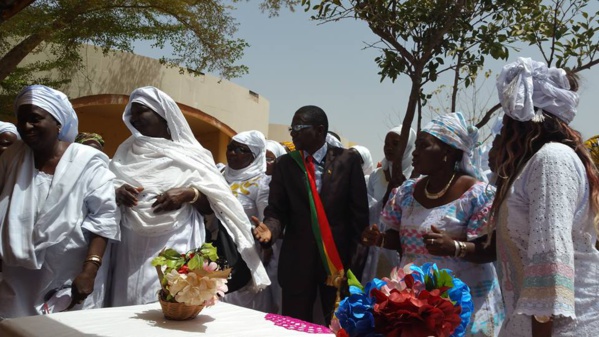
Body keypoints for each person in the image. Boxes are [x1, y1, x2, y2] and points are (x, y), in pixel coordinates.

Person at [109, 86, 269, 306]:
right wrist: (116, 192)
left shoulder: (192, 155)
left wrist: (190, 194)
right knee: (126, 306)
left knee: (171, 304)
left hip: (175, 242)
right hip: (129, 246)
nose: (134, 118)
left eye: (141, 111)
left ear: (163, 116)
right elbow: (103, 191)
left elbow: (216, 205)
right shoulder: (124, 153)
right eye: (132, 112)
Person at [362, 111, 505, 336]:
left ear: (447, 151)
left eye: (423, 146)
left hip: (464, 305)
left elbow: (491, 249)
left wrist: (455, 247)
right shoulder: (407, 192)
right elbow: (402, 241)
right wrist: (379, 238)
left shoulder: (478, 194)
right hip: (415, 304)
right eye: (416, 146)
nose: (415, 153)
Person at [491, 57, 599, 336]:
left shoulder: (553, 160)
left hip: (559, 330)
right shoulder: (535, 164)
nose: (501, 130)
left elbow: (550, 257)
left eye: (506, 120)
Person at [0, 85, 120, 318]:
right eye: (22, 120)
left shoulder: (88, 162)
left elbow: (104, 218)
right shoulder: (12, 157)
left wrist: (89, 271)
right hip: (17, 275)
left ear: (58, 123)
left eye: (35, 119)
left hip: (69, 278)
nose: (26, 127)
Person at [253, 105, 369, 325]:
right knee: (295, 326)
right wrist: (270, 229)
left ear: (319, 130)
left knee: (336, 325)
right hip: (298, 262)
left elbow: (358, 219)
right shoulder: (286, 164)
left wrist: (354, 267)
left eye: (299, 127)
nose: (292, 133)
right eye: (292, 128)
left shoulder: (347, 161)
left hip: (336, 263)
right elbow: (277, 211)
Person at [221, 130, 274, 312]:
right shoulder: (217, 174)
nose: (232, 153)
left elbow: (265, 221)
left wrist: (265, 242)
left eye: (240, 149)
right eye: (230, 148)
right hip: (215, 248)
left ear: (255, 154)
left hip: (245, 253)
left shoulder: (262, 183)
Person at [361, 125, 416, 282]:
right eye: (387, 143)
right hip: (378, 242)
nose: (389, 148)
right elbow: (370, 208)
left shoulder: (415, 176)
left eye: (396, 143)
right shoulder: (376, 176)